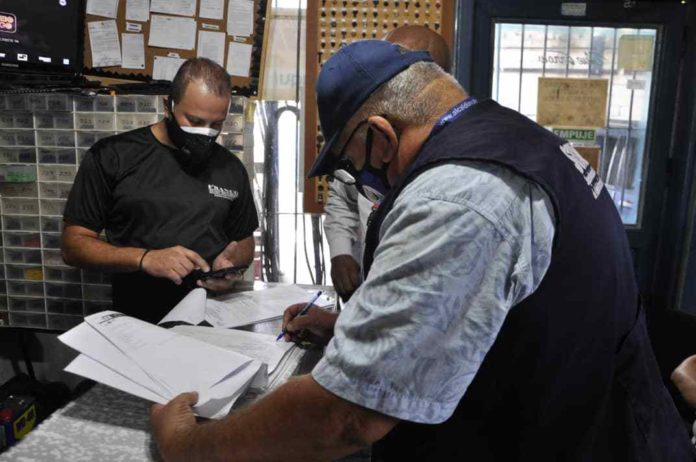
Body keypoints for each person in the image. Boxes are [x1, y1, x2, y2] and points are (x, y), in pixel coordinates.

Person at [149, 42, 694, 460]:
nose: (362, 180)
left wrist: (188, 447)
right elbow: (487, 317)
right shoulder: (514, 139)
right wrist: (349, 331)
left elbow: (347, 418)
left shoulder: (457, 195)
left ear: (381, 136)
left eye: (352, 163)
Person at [62, 58, 258, 323]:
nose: (205, 133)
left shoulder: (230, 168)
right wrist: (145, 259)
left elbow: (244, 240)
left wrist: (233, 265)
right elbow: (74, 246)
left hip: (211, 320)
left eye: (216, 125)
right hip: (138, 320)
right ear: (168, 106)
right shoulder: (113, 157)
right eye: (195, 120)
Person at [325, 25, 451, 301]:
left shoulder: (450, 161)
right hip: (367, 292)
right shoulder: (365, 128)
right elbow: (342, 194)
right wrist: (341, 253)